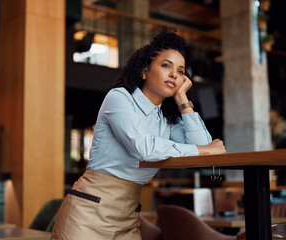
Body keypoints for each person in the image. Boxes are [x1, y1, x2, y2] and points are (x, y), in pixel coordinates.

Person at [51, 29, 226, 240]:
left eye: (181, 71)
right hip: (88, 215)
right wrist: (204, 150)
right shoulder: (119, 98)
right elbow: (145, 148)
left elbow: (206, 155)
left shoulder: (166, 119)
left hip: (128, 219)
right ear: (144, 71)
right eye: (165, 65)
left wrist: (182, 99)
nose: (174, 74)